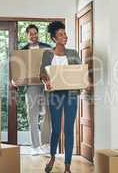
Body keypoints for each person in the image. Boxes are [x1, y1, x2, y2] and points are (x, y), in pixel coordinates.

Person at [40, 21, 81, 173]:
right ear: (54, 38)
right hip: (55, 95)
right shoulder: (47, 54)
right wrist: (47, 80)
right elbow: (42, 73)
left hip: (71, 95)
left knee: (69, 130)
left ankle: (68, 167)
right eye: (61, 34)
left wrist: (85, 80)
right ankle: (52, 157)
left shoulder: (73, 53)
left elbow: (80, 72)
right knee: (56, 129)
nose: (65, 36)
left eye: (65, 34)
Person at [18, 24, 51, 153]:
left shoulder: (47, 48)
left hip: (46, 83)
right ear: (27, 35)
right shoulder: (23, 51)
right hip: (31, 85)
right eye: (31, 33)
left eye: (35, 33)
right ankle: (35, 146)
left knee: (47, 114)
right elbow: (19, 70)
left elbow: (53, 64)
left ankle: (45, 144)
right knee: (32, 115)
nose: (33, 35)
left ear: (38, 34)